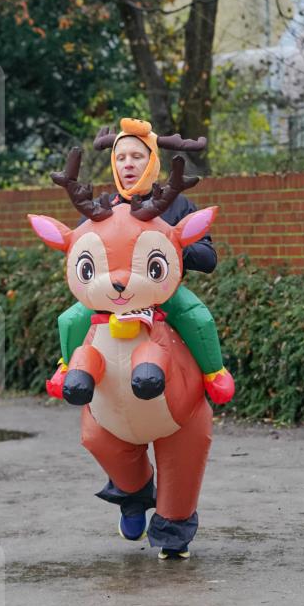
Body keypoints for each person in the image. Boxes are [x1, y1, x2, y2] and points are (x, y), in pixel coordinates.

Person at [56, 118, 235, 406]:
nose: (128, 164)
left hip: (161, 296)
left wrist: (167, 248)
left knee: (198, 317)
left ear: (152, 161)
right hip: (109, 298)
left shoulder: (176, 204)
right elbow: (78, 252)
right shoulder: (99, 207)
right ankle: (66, 368)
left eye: (137, 156)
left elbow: (208, 258)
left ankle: (215, 373)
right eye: (121, 157)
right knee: (69, 319)